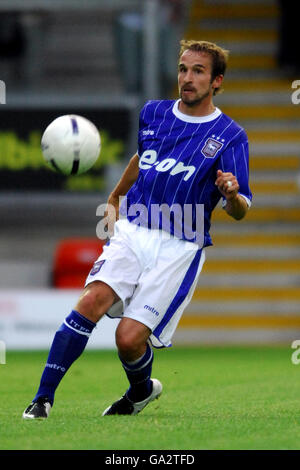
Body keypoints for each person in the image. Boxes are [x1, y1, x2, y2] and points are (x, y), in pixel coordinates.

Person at [23, 39, 252, 419]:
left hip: (180, 245)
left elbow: (242, 209)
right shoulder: (154, 113)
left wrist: (231, 195)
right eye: (183, 69)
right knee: (90, 301)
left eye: (198, 71)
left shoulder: (230, 136)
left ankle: (141, 390)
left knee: (127, 340)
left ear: (217, 82)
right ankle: (42, 400)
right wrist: (115, 196)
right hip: (134, 229)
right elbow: (144, 157)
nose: (187, 78)